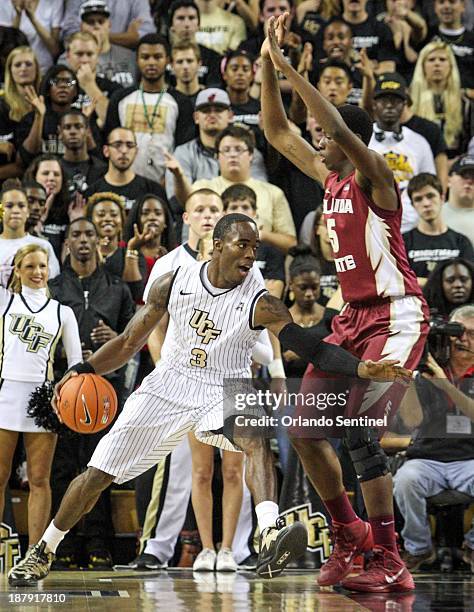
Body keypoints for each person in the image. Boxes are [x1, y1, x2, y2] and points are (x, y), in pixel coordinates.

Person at [8, 212, 411, 586]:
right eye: (243, 244)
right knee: (98, 474)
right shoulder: (173, 281)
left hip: (226, 384)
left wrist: (360, 369)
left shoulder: (260, 302)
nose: (251, 254)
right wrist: (86, 369)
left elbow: (313, 348)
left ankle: (268, 531)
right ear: (217, 244)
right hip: (169, 383)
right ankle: (45, 549)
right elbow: (130, 341)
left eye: (255, 247)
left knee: (253, 437)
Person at [261, 13, 429, 592]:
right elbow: (277, 132)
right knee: (305, 429)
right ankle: (348, 533)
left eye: (325, 133)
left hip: (398, 314)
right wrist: (265, 64)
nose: (315, 137)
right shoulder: (327, 175)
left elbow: (331, 120)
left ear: (344, 141)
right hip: (353, 317)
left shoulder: (375, 176)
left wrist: (291, 68)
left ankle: (390, 558)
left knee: (358, 431)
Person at [47, 216, 135, 569]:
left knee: (99, 467)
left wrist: (110, 342)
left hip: (104, 391)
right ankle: (63, 543)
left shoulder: (117, 288)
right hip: (62, 390)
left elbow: (133, 342)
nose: (83, 240)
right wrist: (66, 358)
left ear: (101, 241)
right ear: (66, 242)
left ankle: (100, 541)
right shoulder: (54, 288)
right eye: (76, 234)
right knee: (63, 467)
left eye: (89, 235)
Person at [0, 243, 81, 554]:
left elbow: (75, 363)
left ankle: (35, 551)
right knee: (1, 475)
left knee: (38, 478)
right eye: (30, 266)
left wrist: (64, 391)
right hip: (5, 392)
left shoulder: (63, 312)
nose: (37, 272)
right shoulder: (6, 303)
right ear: (18, 271)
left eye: (42, 266)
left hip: (42, 398)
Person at [393, 304, 474, 572]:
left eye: (472, 334)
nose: (464, 340)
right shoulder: (427, 369)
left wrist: (444, 384)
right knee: (405, 480)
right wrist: (407, 374)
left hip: (469, 459)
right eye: (458, 334)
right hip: (428, 459)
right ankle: (419, 549)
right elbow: (412, 420)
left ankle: (472, 547)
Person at [164, 88, 267, 225]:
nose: (212, 115)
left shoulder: (249, 153)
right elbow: (178, 204)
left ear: (230, 115)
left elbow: (260, 196)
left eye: (218, 110)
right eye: (206, 110)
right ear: (196, 117)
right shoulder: (183, 153)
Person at [104, 34, 195, 184]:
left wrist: (171, 179)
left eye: (157, 57)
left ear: (167, 60)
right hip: (124, 180)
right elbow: (109, 141)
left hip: (165, 183)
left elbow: (184, 148)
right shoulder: (120, 98)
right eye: (145, 57)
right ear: (137, 60)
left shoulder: (181, 102)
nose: (151, 62)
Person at [192, 124, 297, 253]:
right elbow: (193, 234)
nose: (232, 155)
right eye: (226, 150)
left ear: (251, 154)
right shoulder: (202, 189)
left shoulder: (273, 193)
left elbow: (291, 243)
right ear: (217, 156)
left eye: (238, 149)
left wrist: (260, 234)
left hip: (263, 264)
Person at [368, 72, 436, 232]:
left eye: (395, 100)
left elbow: (430, 184)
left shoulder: (419, 142)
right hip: (372, 225)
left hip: (414, 226)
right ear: (374, 104)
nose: (389, 105)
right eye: (384, 100)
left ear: (405, 104)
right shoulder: (362, 139)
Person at [403, 173, 474, 286]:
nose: (426, 203)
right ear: (412, 205)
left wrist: (422, 282)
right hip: (416, 303)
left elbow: (468, 282)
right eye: (418, 199)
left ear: (442, 197)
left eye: (430, 196)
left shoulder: (461, 242)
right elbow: (400, 281)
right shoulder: (403, 242)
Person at [85, 127, 167, 212]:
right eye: (117, 145)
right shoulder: (92, 193)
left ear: (136, 151)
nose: (124, 151)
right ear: (106, 151)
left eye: (130, 145)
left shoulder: (153, 190)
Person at [409, 40, 468, 158]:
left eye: (442, 59)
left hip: (456, 165)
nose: (437, 64)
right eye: (431, 60)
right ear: (422, 66)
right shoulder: (410, 101)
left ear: (451, 66)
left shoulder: (465, 103)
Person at [85, 192, 147, 301]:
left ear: (122, 221)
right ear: (90, 221)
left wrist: (131, 250)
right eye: (101, 214)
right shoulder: (82, 253)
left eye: (114, 215)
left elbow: (135, 293)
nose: (108, 219)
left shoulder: (133, 253)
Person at [63, 0, 137, 88]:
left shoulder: (130, 57)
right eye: (90, 22)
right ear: (81, 26)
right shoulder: (68, 58)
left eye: (101, 21)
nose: (96, 26)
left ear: (109, 25)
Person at [0, 181, 59, 289]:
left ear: (27, 210)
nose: (16, 210)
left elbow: (52, 286)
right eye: (9, 206)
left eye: (21, 206)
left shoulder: (43, 246)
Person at [0, 46, 40, 181]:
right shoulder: (1, 104)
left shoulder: (47, 100)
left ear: (37, 69)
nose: (23, 68)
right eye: (17, 65)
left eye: (28, 64)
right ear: (10, 71)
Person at [24, 155, 73, 259]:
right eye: (45, 173)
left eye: (56, 174)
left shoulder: (71, 209)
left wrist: (75, 220)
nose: (51, 178)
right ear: (34, 176)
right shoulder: (22, 207)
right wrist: (41, 219)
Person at [167, 0, 222, 87]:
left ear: (198, 25)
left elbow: (213, 89)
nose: (187, 24)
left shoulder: (213, 58)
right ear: (171, 25)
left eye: (191, 18)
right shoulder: (163, 56)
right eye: (180, 18)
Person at [62, 0, 156, 50]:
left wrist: (90, 35)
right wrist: (127, 37)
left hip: (124, 60)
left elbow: (146, 35)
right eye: (91, 22)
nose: (97, 26)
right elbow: (69, 33)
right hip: (83, 56)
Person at [0, 0, 62, 73]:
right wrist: (18, 15)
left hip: (44, 69)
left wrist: (32, 19)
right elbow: (8, 43)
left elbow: (55, 49)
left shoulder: (54, 2)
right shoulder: (5, 3)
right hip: (17, 70)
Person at [58, 110, 107, 199]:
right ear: (60, 132)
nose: (73, 132)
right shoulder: (54, 169)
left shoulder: (103, 170)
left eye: (78, 126)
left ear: (87, 131)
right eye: (67, 127)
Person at [428, 0, 474, 90]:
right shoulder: (426, 36)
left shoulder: (472, 39)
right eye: (441, 2)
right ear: (435, 7)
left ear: (463, 6)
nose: (446, 6)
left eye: (452, 2)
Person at [442, 155, 474, 246]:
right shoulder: (433, 214)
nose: (469, 181)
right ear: (448, 180)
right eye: (464, 175)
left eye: (473, 176)